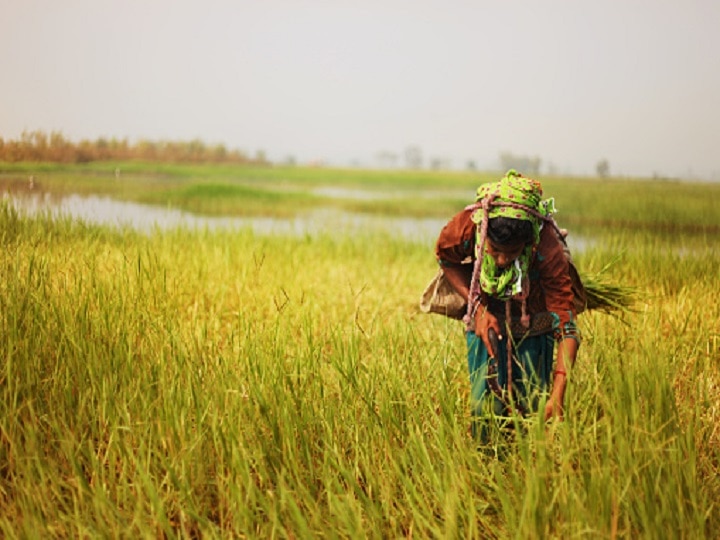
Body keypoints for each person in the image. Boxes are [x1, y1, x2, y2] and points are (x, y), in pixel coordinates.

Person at [434, 170, 581, 441]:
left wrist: (558, 395)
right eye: (494, 250)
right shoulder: (468, 225)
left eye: (511, 253)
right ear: (483, 232)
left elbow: (567, 326)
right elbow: (445, 258)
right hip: (485, 323)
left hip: (534, 328)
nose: (501, 261)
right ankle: (484, 463)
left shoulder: (546, 247)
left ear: (528, 243)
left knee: (532, 413)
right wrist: (477, 308)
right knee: (484, 414)